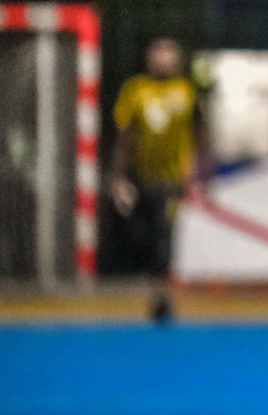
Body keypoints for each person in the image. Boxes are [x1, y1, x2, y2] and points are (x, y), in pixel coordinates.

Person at [107, 37, 208, 323]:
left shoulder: (187, 90)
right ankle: (156, 288)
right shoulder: (135, 90)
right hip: (141, 178)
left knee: (165, 236)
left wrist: (199, 171)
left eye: (169, 52)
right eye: (158, 51)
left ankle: (162, 296)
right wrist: (117, 176)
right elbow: (125, 136)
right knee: (142, 237)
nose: (163, 57)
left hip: (173, 179)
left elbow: (200, 131)